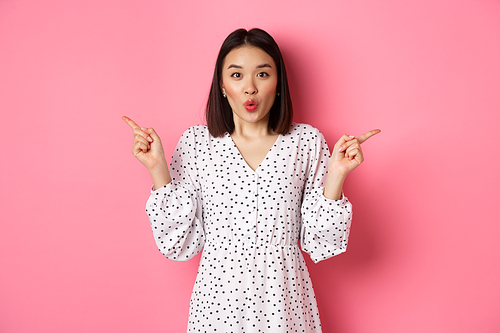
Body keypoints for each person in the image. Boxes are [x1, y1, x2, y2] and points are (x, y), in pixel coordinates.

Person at [123, 28, 379, 333]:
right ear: (221, 85)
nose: (249, 89)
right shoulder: (196, 143)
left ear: (278, 83)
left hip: (284, 302)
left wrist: (337, 174)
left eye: (262, 74)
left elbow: (322, 243)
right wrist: (157, 169)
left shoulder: (306, 142)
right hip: (217, 303)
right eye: (236, 75)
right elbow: (179, 243)